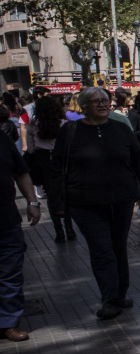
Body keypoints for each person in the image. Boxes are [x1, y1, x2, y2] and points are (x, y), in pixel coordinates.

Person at [55, 87, 140, 321]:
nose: (101, 104)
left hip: (121, 200)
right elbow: (57, 169)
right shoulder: (70, 132)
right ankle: (109, 299)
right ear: (84, 106)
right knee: (102, 248)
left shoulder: (121, 129)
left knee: (118, 246)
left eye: (104, 100)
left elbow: (139, 163)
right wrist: (58, 202)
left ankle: (120, 293)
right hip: (85, 203)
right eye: (95, 101)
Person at [0, 133, 42, 341]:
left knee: (10, 274)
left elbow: (21, 172)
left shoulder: (2, 139)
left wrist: (32, 202)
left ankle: (8, 323)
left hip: (6, 220)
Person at [24, 94, 72, 243]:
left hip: (43, 160)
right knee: (65, 194)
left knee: (51, 195)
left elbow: (30, 148)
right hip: (62, 159)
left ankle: (59, 232)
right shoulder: (64, 123)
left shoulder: (33, 124)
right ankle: (70, 229)